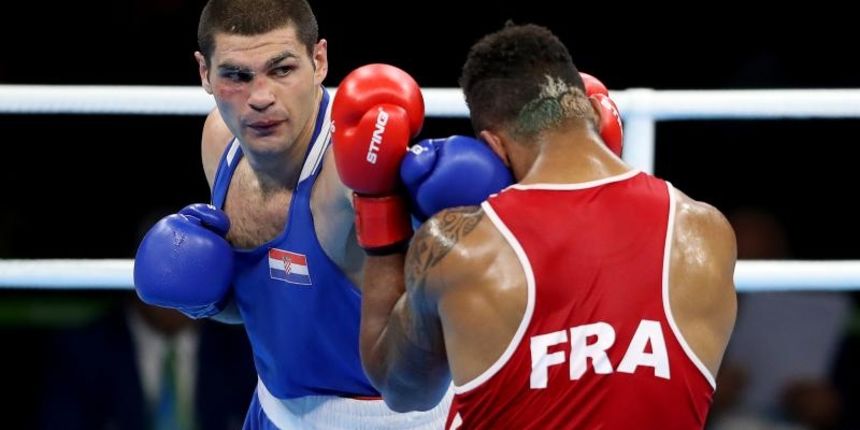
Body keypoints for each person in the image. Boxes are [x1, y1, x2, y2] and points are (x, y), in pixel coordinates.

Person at [341, 23, 738, 429]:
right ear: (595, 114)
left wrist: (380, 208)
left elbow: (404, 390)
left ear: (493, 145)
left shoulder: (460, 248)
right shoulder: (704, 232)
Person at [133, 0, 469, 428]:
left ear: (320, 60)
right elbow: (275, 301)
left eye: (282, 69)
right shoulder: (220, 140)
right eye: (236, 76)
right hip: (273, 408)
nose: (260, 97)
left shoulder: (349, 174)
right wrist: (207, 301)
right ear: (204, 73)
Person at [39, 295, 256, 430]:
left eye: (188, 267)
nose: (175, 283)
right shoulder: (82, 351)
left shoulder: (243, 348)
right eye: (162, 267)